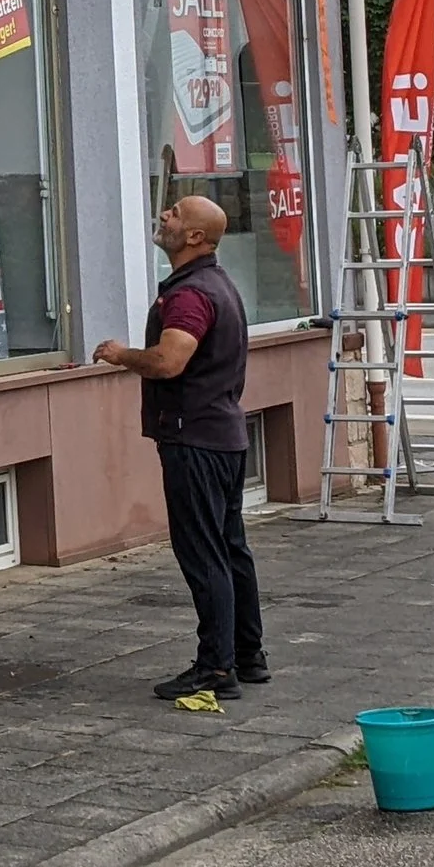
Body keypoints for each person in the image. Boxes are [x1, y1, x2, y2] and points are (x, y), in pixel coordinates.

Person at [94, 196, 270, 702]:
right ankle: (247, 654)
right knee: (230, 546)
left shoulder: (192, 294)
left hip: (194, 437)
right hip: (223, 436)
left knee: (204, 553)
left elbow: (171, 362)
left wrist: (120, 354)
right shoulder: (217, 284)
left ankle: (216, 669)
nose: (163, 216)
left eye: (173, 213)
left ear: (194, 237)